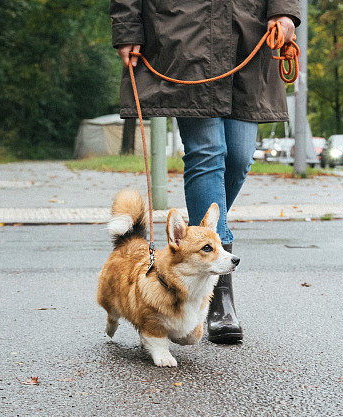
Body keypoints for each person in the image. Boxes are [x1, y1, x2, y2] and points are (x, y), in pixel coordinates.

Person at [110, 0, 300, 344]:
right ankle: (218, 295)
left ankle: (196, 249)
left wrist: (285, 11)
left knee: (240, 157)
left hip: (248, 32)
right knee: (207, 154)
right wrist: (127, 27)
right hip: (184, 33)